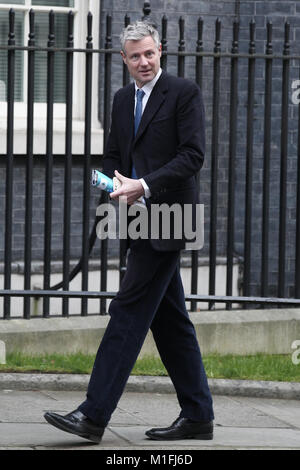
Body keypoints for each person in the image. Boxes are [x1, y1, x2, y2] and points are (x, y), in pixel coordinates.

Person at [44, 20, 214, 443]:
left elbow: (192, 156)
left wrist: (145, 184)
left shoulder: (183, 93)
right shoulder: (122, 100)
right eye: (135, 55)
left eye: (149, 53)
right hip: (135, 220)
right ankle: (198, 415)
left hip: (170, 220)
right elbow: (115, 155)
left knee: (128, 310)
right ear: (124, 59)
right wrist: (110, 182)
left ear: (161, 52)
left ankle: (93, 414)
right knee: (171, 321)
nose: (144, 61)